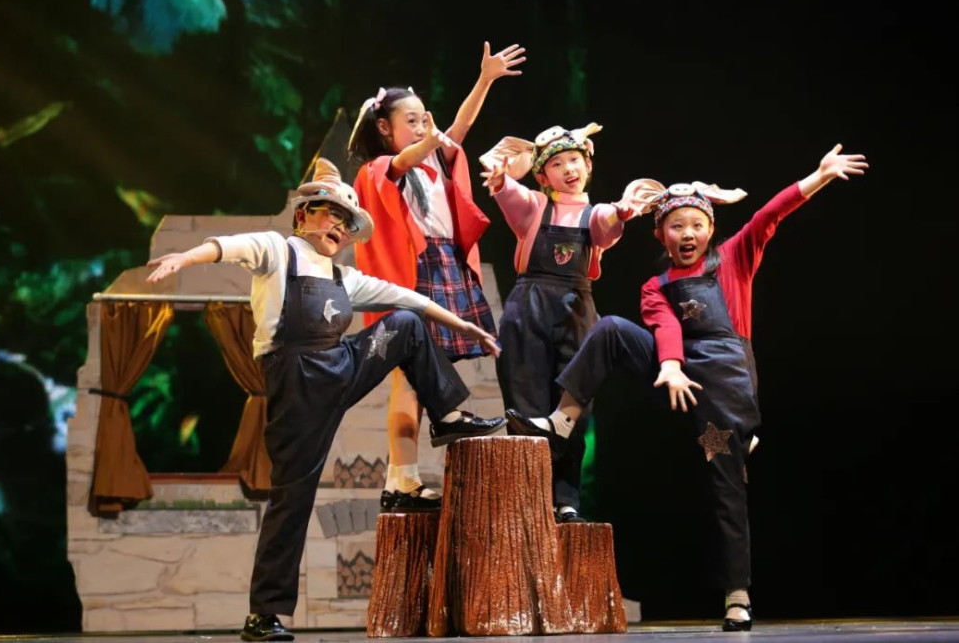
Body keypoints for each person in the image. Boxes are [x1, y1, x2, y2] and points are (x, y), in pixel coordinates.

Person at [507, 144, 867, 631]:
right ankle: (562, 418)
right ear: (661, 233)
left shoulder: (734, 259)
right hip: (673, 379)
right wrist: (672, 365)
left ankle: (737, 595)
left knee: (725, 486)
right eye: (676, 226)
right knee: (610, 329)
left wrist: (818, 177)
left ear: (710, 229)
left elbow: (769, 215)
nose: (688, 233)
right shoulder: (655, 286)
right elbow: (665, 327)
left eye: (696, 224)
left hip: (724, 387)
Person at [146, 158, 506, 641]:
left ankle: (448, 416)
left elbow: (409, 298)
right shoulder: (277, 250)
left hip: (342, 366)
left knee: (405, 323)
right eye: (331, 213)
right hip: (296, 383)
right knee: (292, 499)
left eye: (347, 220)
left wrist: (463, 325)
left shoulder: (343, 278)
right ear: (303, 215)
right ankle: (263, 615)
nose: (340, 225)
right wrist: (184, 259)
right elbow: (225, 247)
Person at [347, 42, 525, 512]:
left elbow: (458, 129)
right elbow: (403, 162)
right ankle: (403, 479)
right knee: (408, 379)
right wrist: (432, 138)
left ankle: (400, 480)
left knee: (420, 376)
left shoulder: (435, 161)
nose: (424, 126)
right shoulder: (379, 168)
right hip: (415, 270)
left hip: (445, 263)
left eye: (425, 118)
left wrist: (484, 80)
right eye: (413, 120)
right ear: (383, 128)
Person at [478, 123, 635, 522]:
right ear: (543, 176)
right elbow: (508, 192)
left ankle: (566, 499)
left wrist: (622, 211)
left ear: (588, 166)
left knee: (573, 405)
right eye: (558, 163)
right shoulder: (535, 206)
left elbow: (606, 225)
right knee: (525, 404)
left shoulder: (595, 213)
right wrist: (501, 179)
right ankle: (527, 499)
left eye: (575, 160)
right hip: (529, 303)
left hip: (576, 309)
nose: (569, 169)